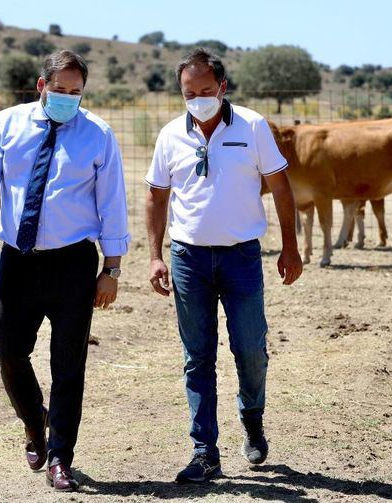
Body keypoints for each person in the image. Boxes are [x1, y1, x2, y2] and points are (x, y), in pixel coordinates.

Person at [0, 50, 129, 492]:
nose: (67, 99)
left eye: (75, 92)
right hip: (18, 259)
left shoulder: (98, 135)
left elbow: (112, 201)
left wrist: (111, 267)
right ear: (41, 86)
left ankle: (60, 457)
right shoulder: (7, 124)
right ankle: (35, 423)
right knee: (7, 349)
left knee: (68, 364)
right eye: (59, 90)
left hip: (74, 263)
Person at [145, 48, 303, 484]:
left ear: (223, 88)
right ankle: (204, 452)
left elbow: (282, 188)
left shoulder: (252, 127)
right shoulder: (170, 135)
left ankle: (252, 418)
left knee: (251, 349)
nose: (198, 99)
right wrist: (156, 255)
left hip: (241, 256)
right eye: (189, 92)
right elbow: (157, 196)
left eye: (206, 91)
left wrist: (290, 248)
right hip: (188, 258)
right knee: (197, 357)